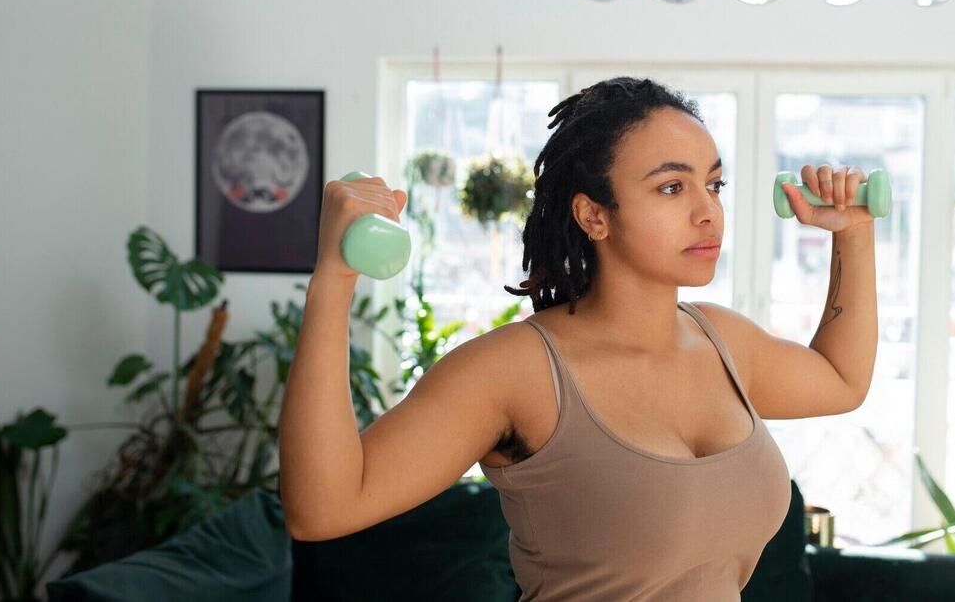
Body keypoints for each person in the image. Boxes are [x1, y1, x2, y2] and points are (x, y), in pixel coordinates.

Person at [279, 76, 879, 600]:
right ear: (595, 216)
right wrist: (333, 280)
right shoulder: (516, 371)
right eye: (672, 187)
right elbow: (323, 509)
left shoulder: (723, 340)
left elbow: (841, 380)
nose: (707, 212)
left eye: (714, 185)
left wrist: (851, 233)